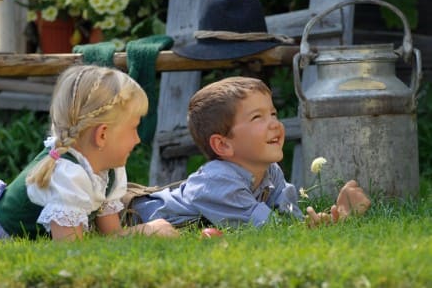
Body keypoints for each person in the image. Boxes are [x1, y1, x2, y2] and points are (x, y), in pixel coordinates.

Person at [0, 65, 178, 243]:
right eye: (133, 128)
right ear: (103, 135)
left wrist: (144, 232)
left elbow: (112, 234)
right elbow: (72, 250)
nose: (139, 138)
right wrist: (147, 231)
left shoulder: (109, 168)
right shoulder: (68, 175)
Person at [127, 76, 371, 229]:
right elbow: (275, 230)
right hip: (131, 216)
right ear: (223, 145)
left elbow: (291, 222)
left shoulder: (270, 172)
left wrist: (330, 217)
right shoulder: (218, 182)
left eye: (273, 113)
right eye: (257, 118)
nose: (275, 123)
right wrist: (344, 218)